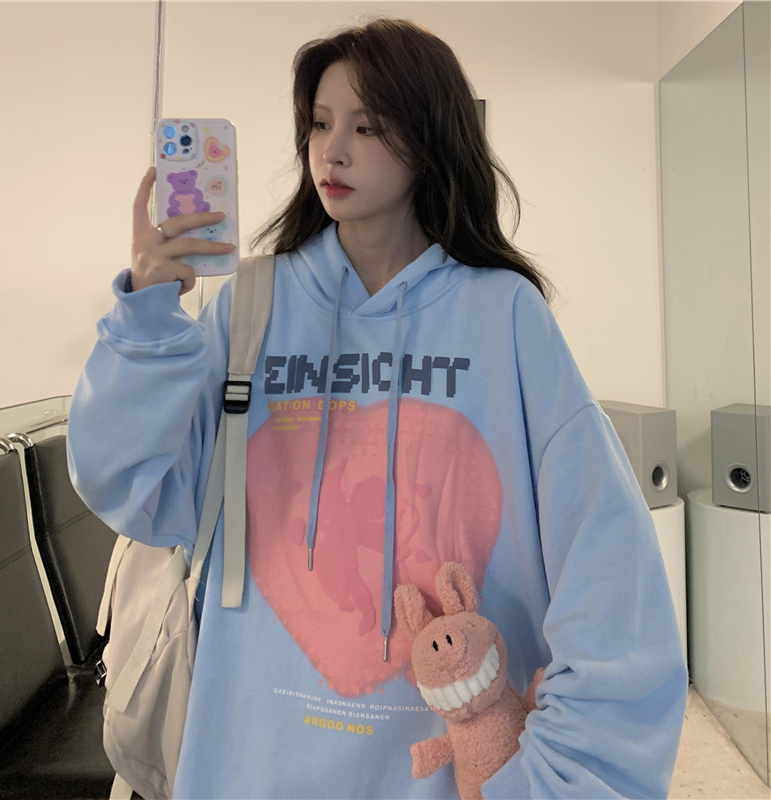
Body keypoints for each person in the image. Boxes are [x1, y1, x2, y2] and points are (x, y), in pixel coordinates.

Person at [68, 17, 688, 799]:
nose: (332, 150)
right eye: (319, 123)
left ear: (429, 139)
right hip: (247, 766)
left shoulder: (504, 317)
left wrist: (554, 780)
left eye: (366, 127)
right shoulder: (252, 305)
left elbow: (613, 584)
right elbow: (132, 488)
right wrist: (148, 317)